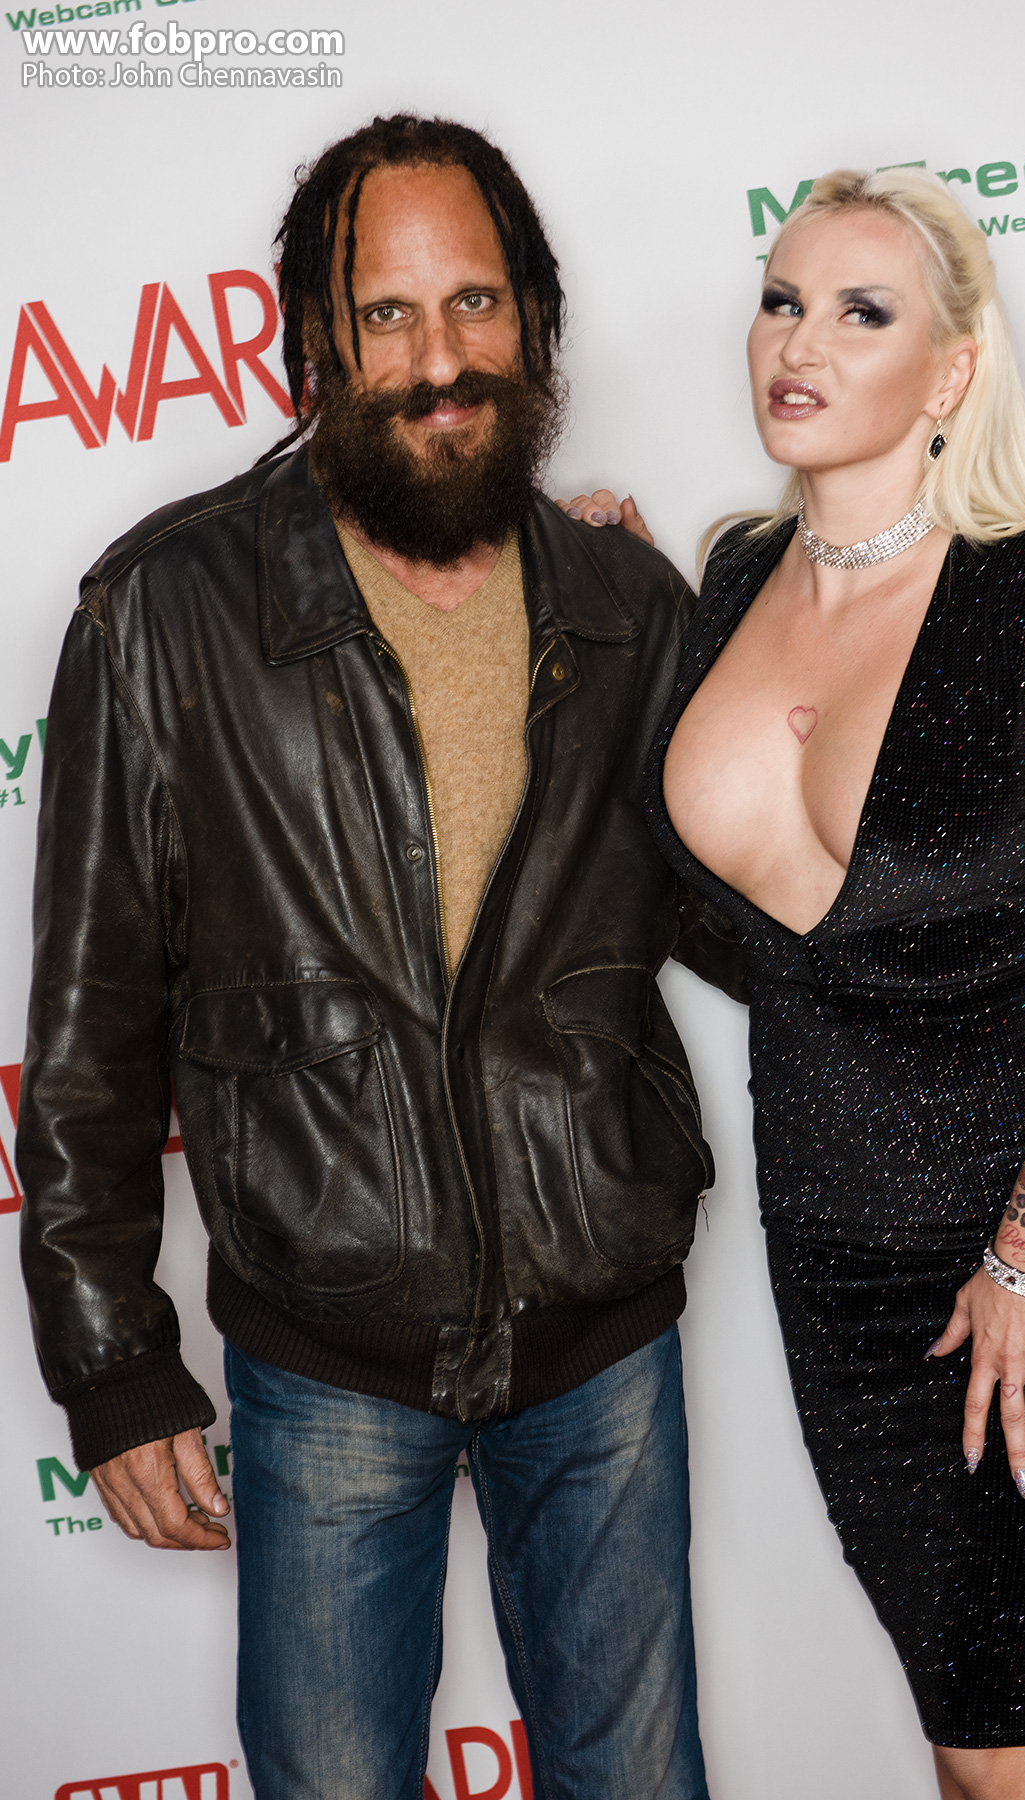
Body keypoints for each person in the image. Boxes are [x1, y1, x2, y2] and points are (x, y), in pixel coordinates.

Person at [17, 112, 744, 1800]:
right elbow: (90, 1027)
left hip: (603, 1342)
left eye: (476, 304)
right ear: (318, 341)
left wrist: (976, 953)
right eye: (389, 316)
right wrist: (113, 1364)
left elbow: (744, 924)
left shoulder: (628, 607)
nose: (439, 362)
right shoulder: (165, 614)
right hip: (324, 1348)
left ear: (534, 320)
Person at [637, 167, 1025, 1800]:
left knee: (1007, 1741)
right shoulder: (728, 582)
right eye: (781, 299)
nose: (797, 343)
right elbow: (749, 923)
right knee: (968, 1728)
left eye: (859, 312)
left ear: (951, 369)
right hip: (835, 1249)